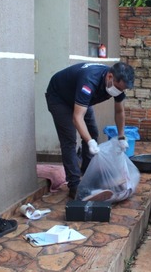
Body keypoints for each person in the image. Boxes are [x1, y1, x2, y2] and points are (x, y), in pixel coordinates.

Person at [46, 62, 135, 199]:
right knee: (69, 139)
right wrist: (89, 142)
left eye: (122, 90)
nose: (118, 92)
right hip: (60, 98)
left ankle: (88, 176)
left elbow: (119, 111)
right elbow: (77, 117)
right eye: (118, 88)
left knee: (93, 132)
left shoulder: (118, 85)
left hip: (80, 100)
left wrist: (121, 137)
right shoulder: (89, 80)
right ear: (110, 76)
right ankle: (74, 185)